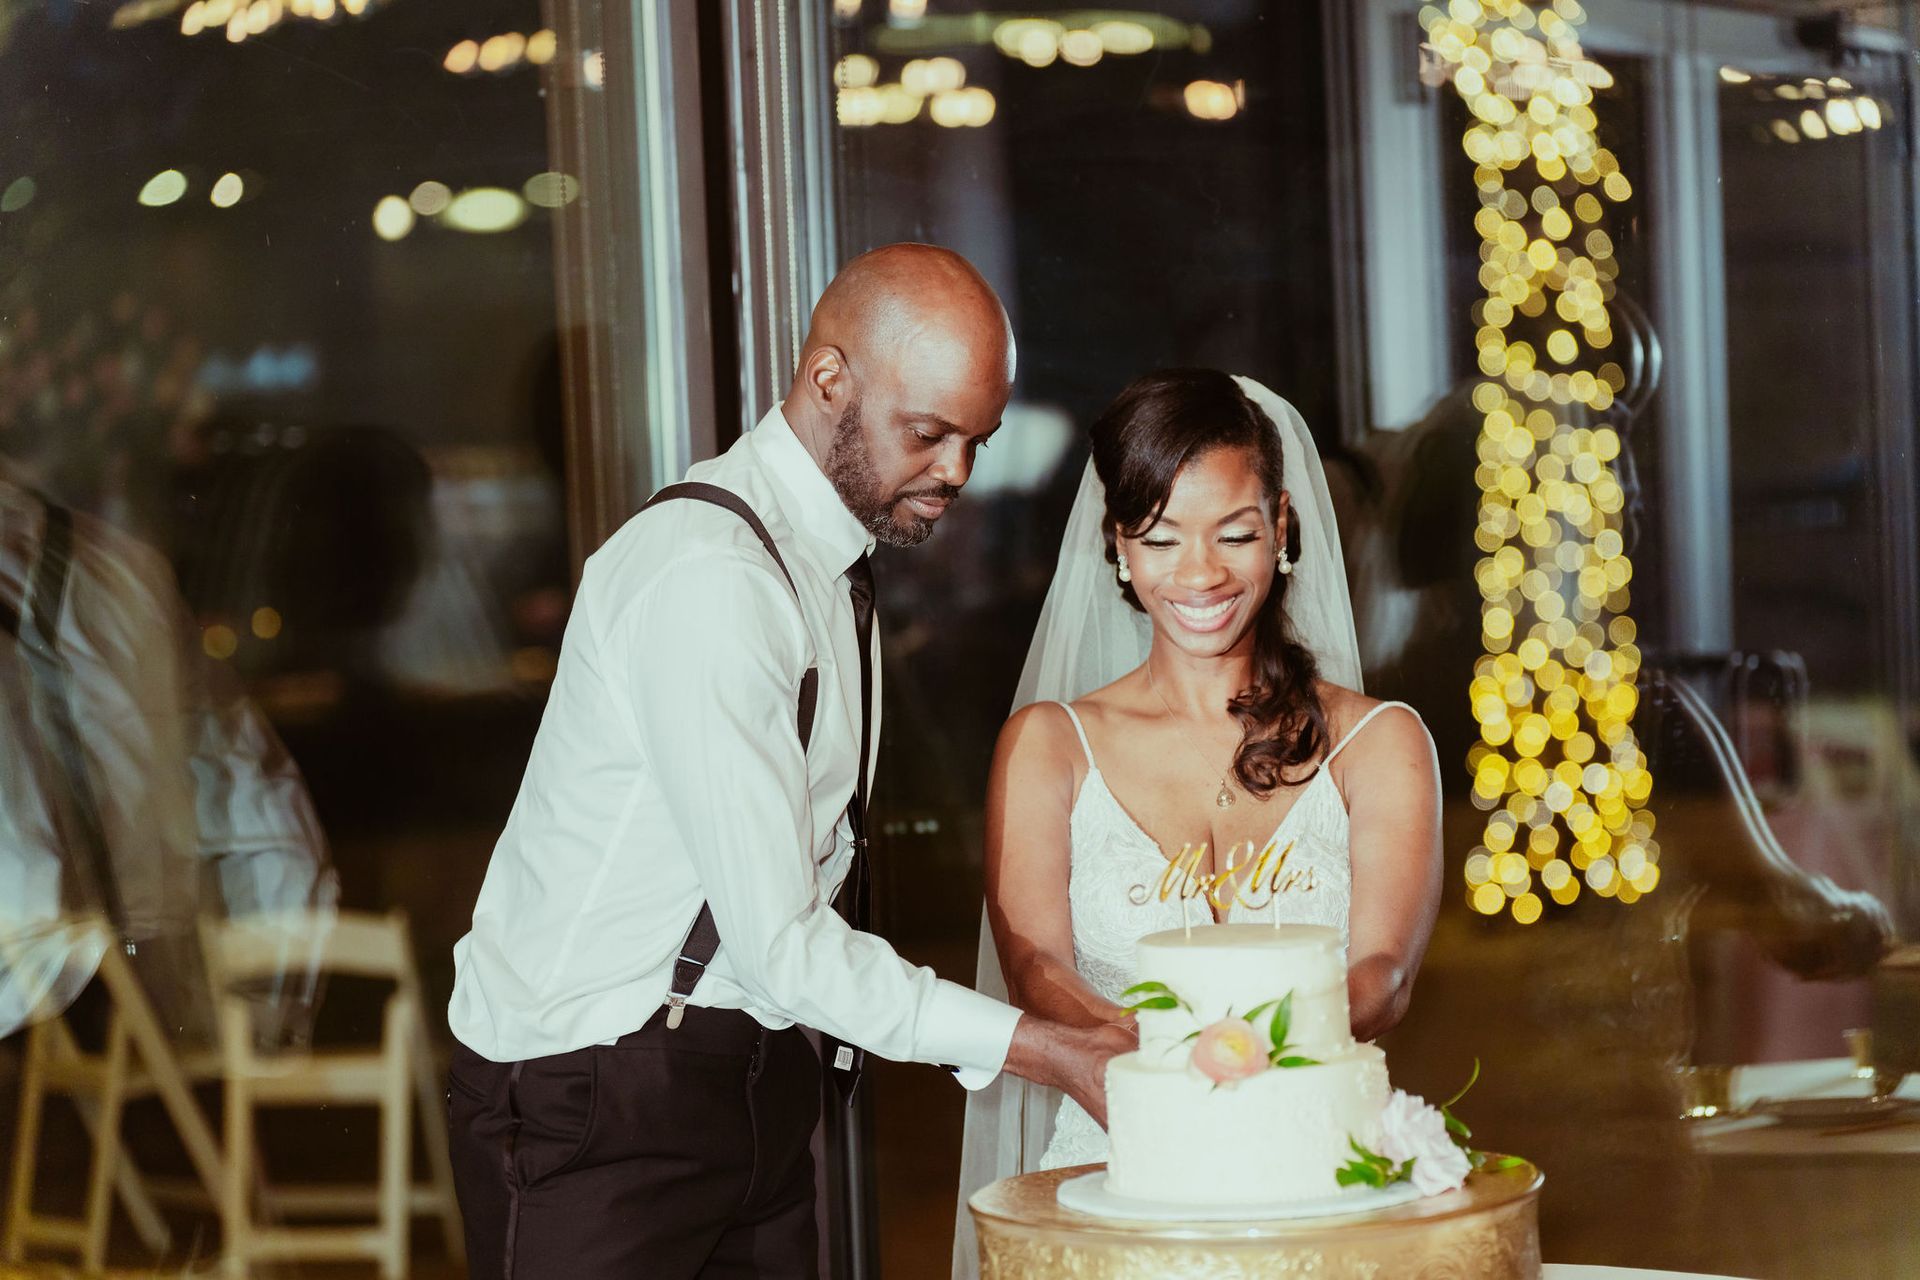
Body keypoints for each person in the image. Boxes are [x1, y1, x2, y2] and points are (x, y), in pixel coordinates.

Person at [446, 244, 1125, 1280]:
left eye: (975, 440)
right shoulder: (709, 579)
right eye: (929, 432)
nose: (956, 472)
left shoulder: (829, 563)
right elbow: (781, 943)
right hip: (590, 1095)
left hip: (747, 1077)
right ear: (828, 381)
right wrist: (1047, 1047)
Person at [954, 369, 1444, 1277]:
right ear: (1118, 547)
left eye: (1235, 532)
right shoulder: (1049, 747)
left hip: (1322, 1182)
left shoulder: (1382, 744)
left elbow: (1384, 974)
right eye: (1162, 537)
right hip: (1111, 1174)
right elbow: (1034, 968)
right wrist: (1169, 1081)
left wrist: (1246, 1063)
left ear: (1282, 528)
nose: (1201, 573)